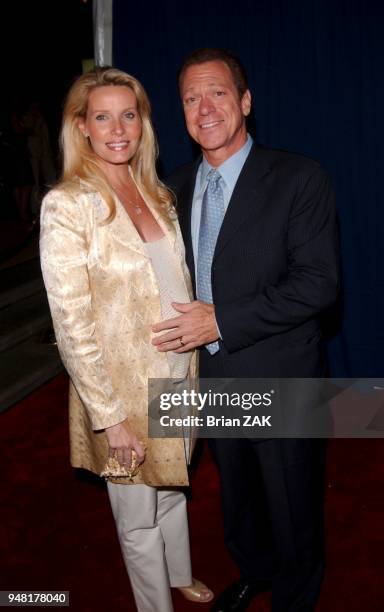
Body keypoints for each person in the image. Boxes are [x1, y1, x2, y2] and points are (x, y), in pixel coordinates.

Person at [152, 48, 340, 611]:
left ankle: (294, 596)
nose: (204, 108)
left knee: (292, 505)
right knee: (238, 500)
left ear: (246, 102)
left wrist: (222, 319)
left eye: (217, 93)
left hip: (281, 376)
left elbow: (318, 284)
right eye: (190, 98)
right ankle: (255, 572)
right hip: (211, 376)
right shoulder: (172, 188)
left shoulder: (300, 178)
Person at [40, 66, 213, 611]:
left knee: (173, 486)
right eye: (102, 116)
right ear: (81, 126)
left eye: (129, 115)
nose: (118, 129)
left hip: (178, 375)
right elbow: (72, 325)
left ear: (143, 122)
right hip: (121, 392)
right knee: (137, 517)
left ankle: (180, 574)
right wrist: (109, 417)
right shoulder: (68, 205)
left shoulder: (156, 192)